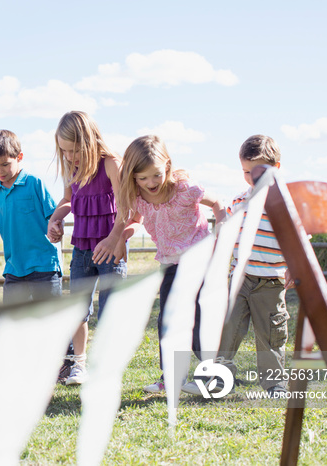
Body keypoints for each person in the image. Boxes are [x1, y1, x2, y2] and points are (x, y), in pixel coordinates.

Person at [183, 135, 291, 397]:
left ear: (276, 167)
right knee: (227, 329)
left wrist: (294, 266)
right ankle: (218, 379)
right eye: (245, 171)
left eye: (258, 171)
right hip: (239, 280)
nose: (251, 177)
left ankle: (275, 384)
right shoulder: (240, 200)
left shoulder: (285, 202)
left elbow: (296, 237)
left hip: (270, 282)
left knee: (270, 334)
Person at [117, 135, 226, 393]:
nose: (150, 183)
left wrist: (221, 229)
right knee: (167, 322)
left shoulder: (186, 190)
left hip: (199, 263)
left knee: (198, 322)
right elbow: (135, 221)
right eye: (142, 178)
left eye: (155, 175)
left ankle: (216, 377)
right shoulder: (139, 198)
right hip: (169, 265)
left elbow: (219, 204)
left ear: (166, 166)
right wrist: (124, 236)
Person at [46, 111, 132, 386]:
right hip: (82, 248)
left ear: (90, 140)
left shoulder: (111, 164)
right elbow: (68, 200)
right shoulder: (72, 169)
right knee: (77, 309)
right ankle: (78, 365)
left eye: (74, 150)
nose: (70, 156)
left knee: (110, 309)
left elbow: (126, 207)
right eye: (65, 151)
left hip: (111, 249)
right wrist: (55, 218)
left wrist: (114, 238)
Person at [0, 130, 62, 306]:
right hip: (14, 268)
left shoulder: (35, 184)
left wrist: (57, 227)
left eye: (5, 164)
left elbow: (53, 215)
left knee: (51, 319)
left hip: (44, 265)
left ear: (19, 157)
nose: (0, 171)